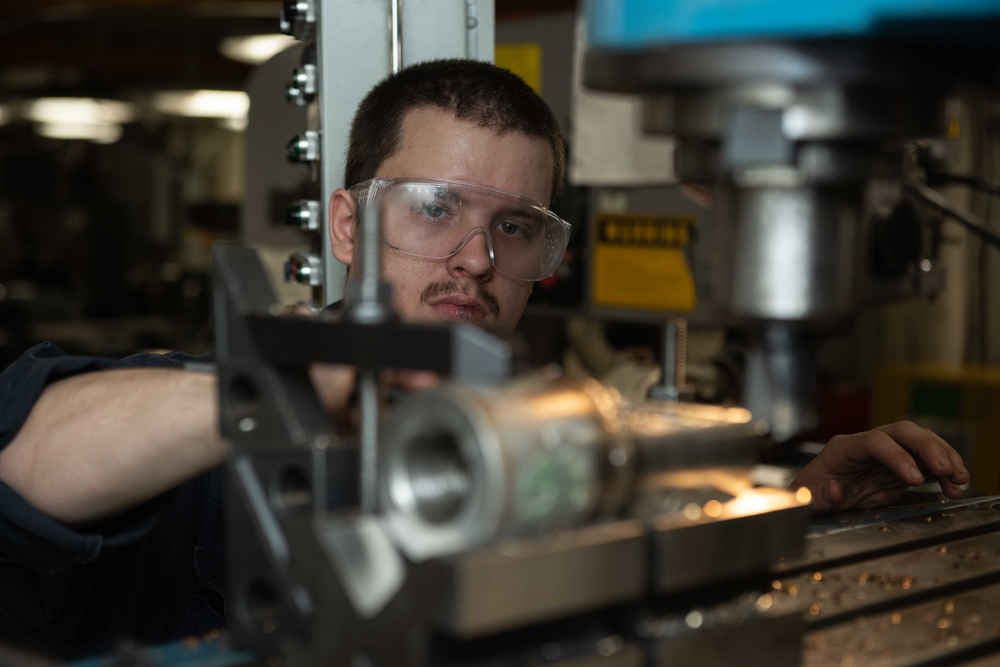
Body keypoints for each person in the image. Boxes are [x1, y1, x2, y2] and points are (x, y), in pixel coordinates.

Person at [0, 59, 970, 659]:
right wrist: (304, 379)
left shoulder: (545, 424)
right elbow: (25, 459)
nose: (476, 256)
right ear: (345, 224)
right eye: (435, 208)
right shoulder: (209, 422)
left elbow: (629, 558)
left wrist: (807, 504)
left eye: (515, 225)